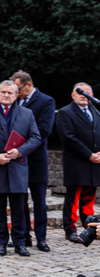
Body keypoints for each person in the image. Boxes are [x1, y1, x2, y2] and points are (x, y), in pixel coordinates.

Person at [0, 80, 41, 256]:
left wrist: (19, 151)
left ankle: (20, 243)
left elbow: (35, 138)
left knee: (19, 209)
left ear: (16, 95)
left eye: (10, 93)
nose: (6, 95)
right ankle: (1, 242)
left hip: (18, 167)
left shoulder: (27, 114)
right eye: (3, 92)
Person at [10, 70, 55, 251]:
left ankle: (41, 238)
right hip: (17, 159)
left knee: (39, 202)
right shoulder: (14, 101)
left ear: (28, 84)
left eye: (18, 88)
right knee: (20, 202)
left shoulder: (46, 101)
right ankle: (23, 236)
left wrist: (21, 143)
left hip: (36, 158)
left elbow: (44, 130)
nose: (16, 92)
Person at [56, 82, 100, 242]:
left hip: (94, 163)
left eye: (87, 92)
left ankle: (90, 229)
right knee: (73, 198)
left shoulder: (95, 112)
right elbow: (68, 138)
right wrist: (89, 154)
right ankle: (70, 229)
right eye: (80, 92)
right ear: (72, 95)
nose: (84, 95)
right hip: (77, 163)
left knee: (89, 198)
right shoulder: (65, 113)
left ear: (92, 96)